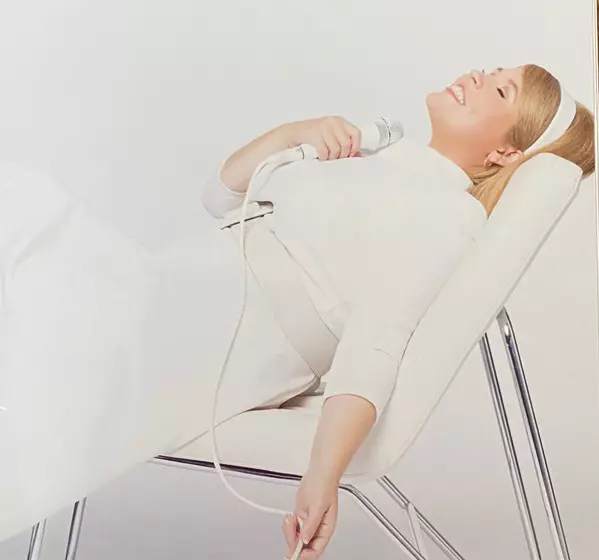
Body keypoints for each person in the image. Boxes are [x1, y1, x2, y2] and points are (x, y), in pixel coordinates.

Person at [200, 64, 594, 559]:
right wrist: (293, 134)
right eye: (491, 71)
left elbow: (375, 344)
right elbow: (219, 197)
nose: (476, 75)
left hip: (217, 338)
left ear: (506, 153)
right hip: (188, 291)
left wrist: (323, 476)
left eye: (500, 89)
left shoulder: (449, 214)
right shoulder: (375, 156)